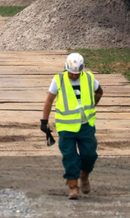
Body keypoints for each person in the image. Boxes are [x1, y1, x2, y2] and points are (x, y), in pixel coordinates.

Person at [40, 52, 103, 200]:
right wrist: (44, 121)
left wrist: (92, 105)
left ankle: (84, 175)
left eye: (77, 73)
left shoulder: (88, 78)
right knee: (70, 157)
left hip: (86, 126)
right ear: (66, 68)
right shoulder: (59, 80)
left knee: (89, 155)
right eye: (72, 73)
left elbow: (99, 92)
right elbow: (49, 100)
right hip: (65, 127)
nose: (74, 76)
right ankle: (73, 187)